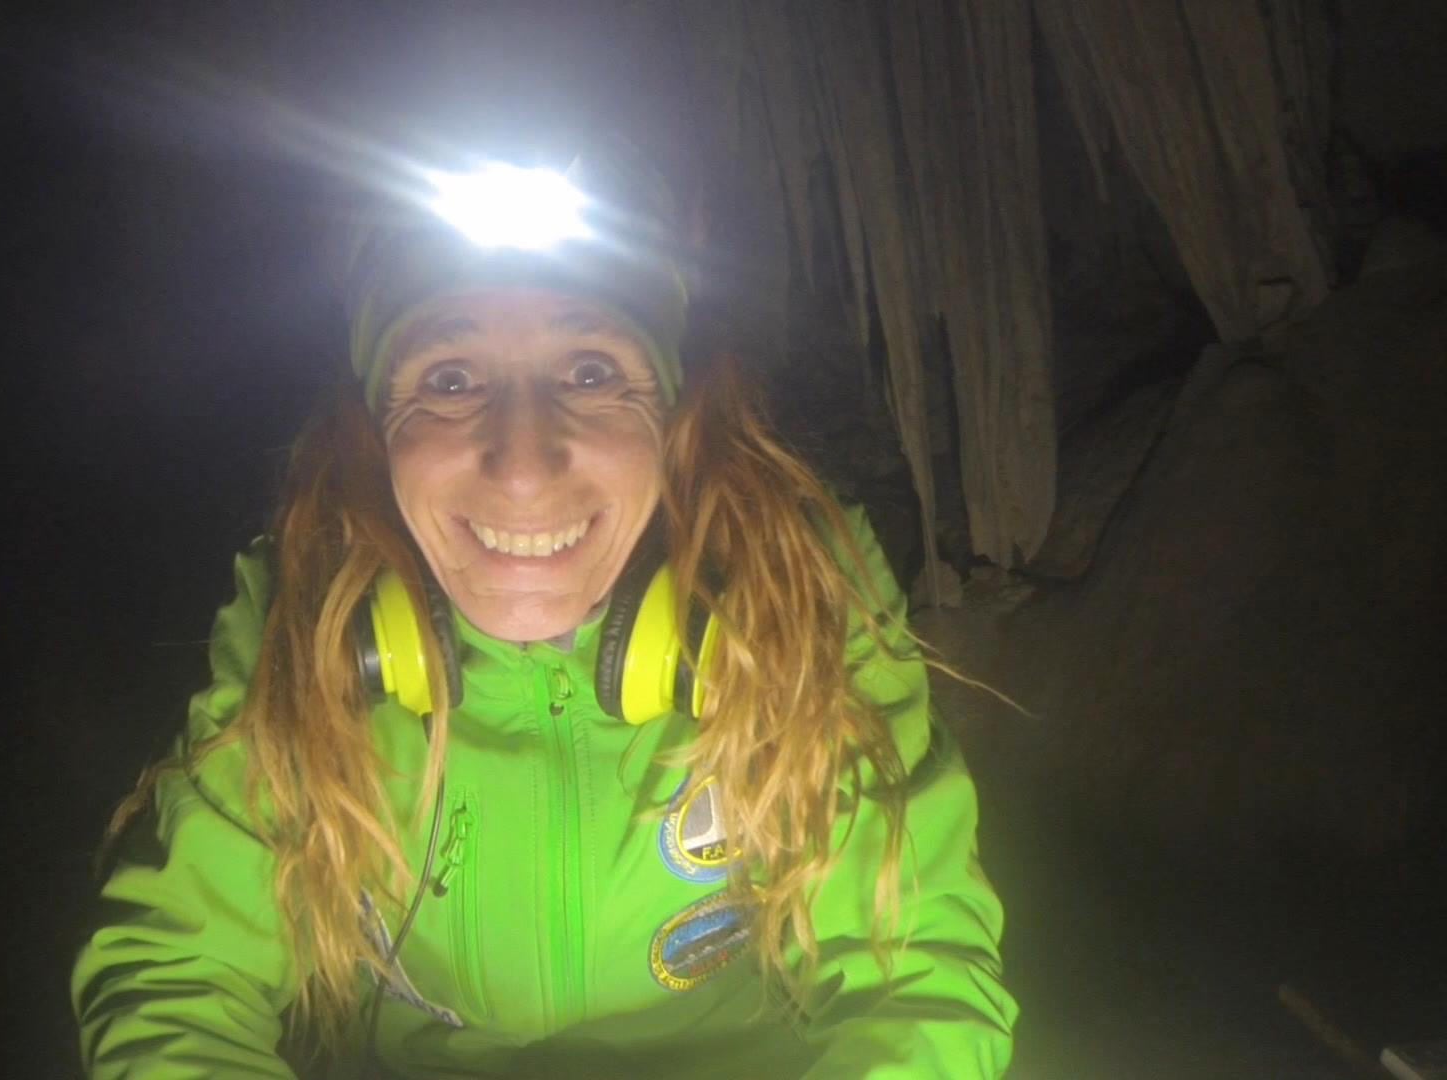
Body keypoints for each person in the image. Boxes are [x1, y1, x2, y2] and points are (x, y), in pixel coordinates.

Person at [72, 142, 1017, 1078]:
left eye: (591, 371)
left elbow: (915, 979)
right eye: (451, 380)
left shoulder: (800, 586)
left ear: (676, 415)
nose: (523, 465)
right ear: (374, 433)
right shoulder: (309, 613)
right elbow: (180, 979)